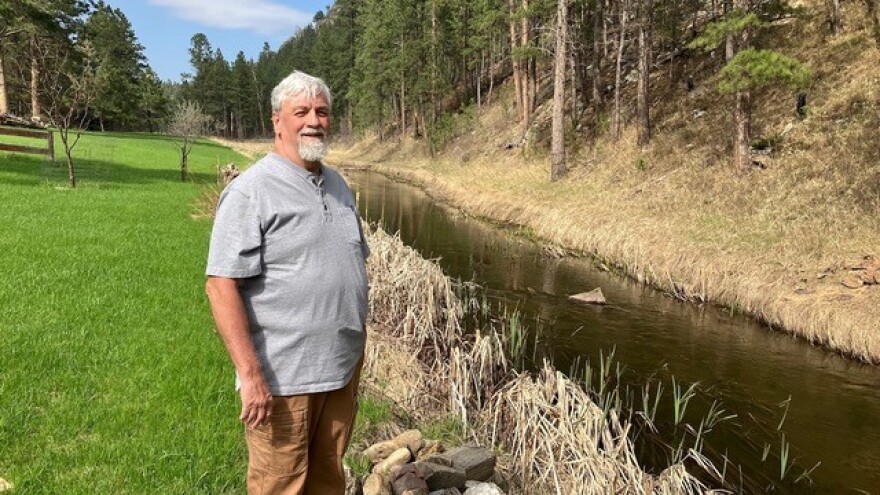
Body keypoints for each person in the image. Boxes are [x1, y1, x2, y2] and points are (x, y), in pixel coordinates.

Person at [205, 70, 369, 495]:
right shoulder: (251, 192)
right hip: (283, 380)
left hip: (338, 370)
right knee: (280, 486)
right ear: (277, 120)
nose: (314, 120)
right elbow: (220, 285)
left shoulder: (338, 185)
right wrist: (250, 375)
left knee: (328, 480)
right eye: (301, 111)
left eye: (322, 111)